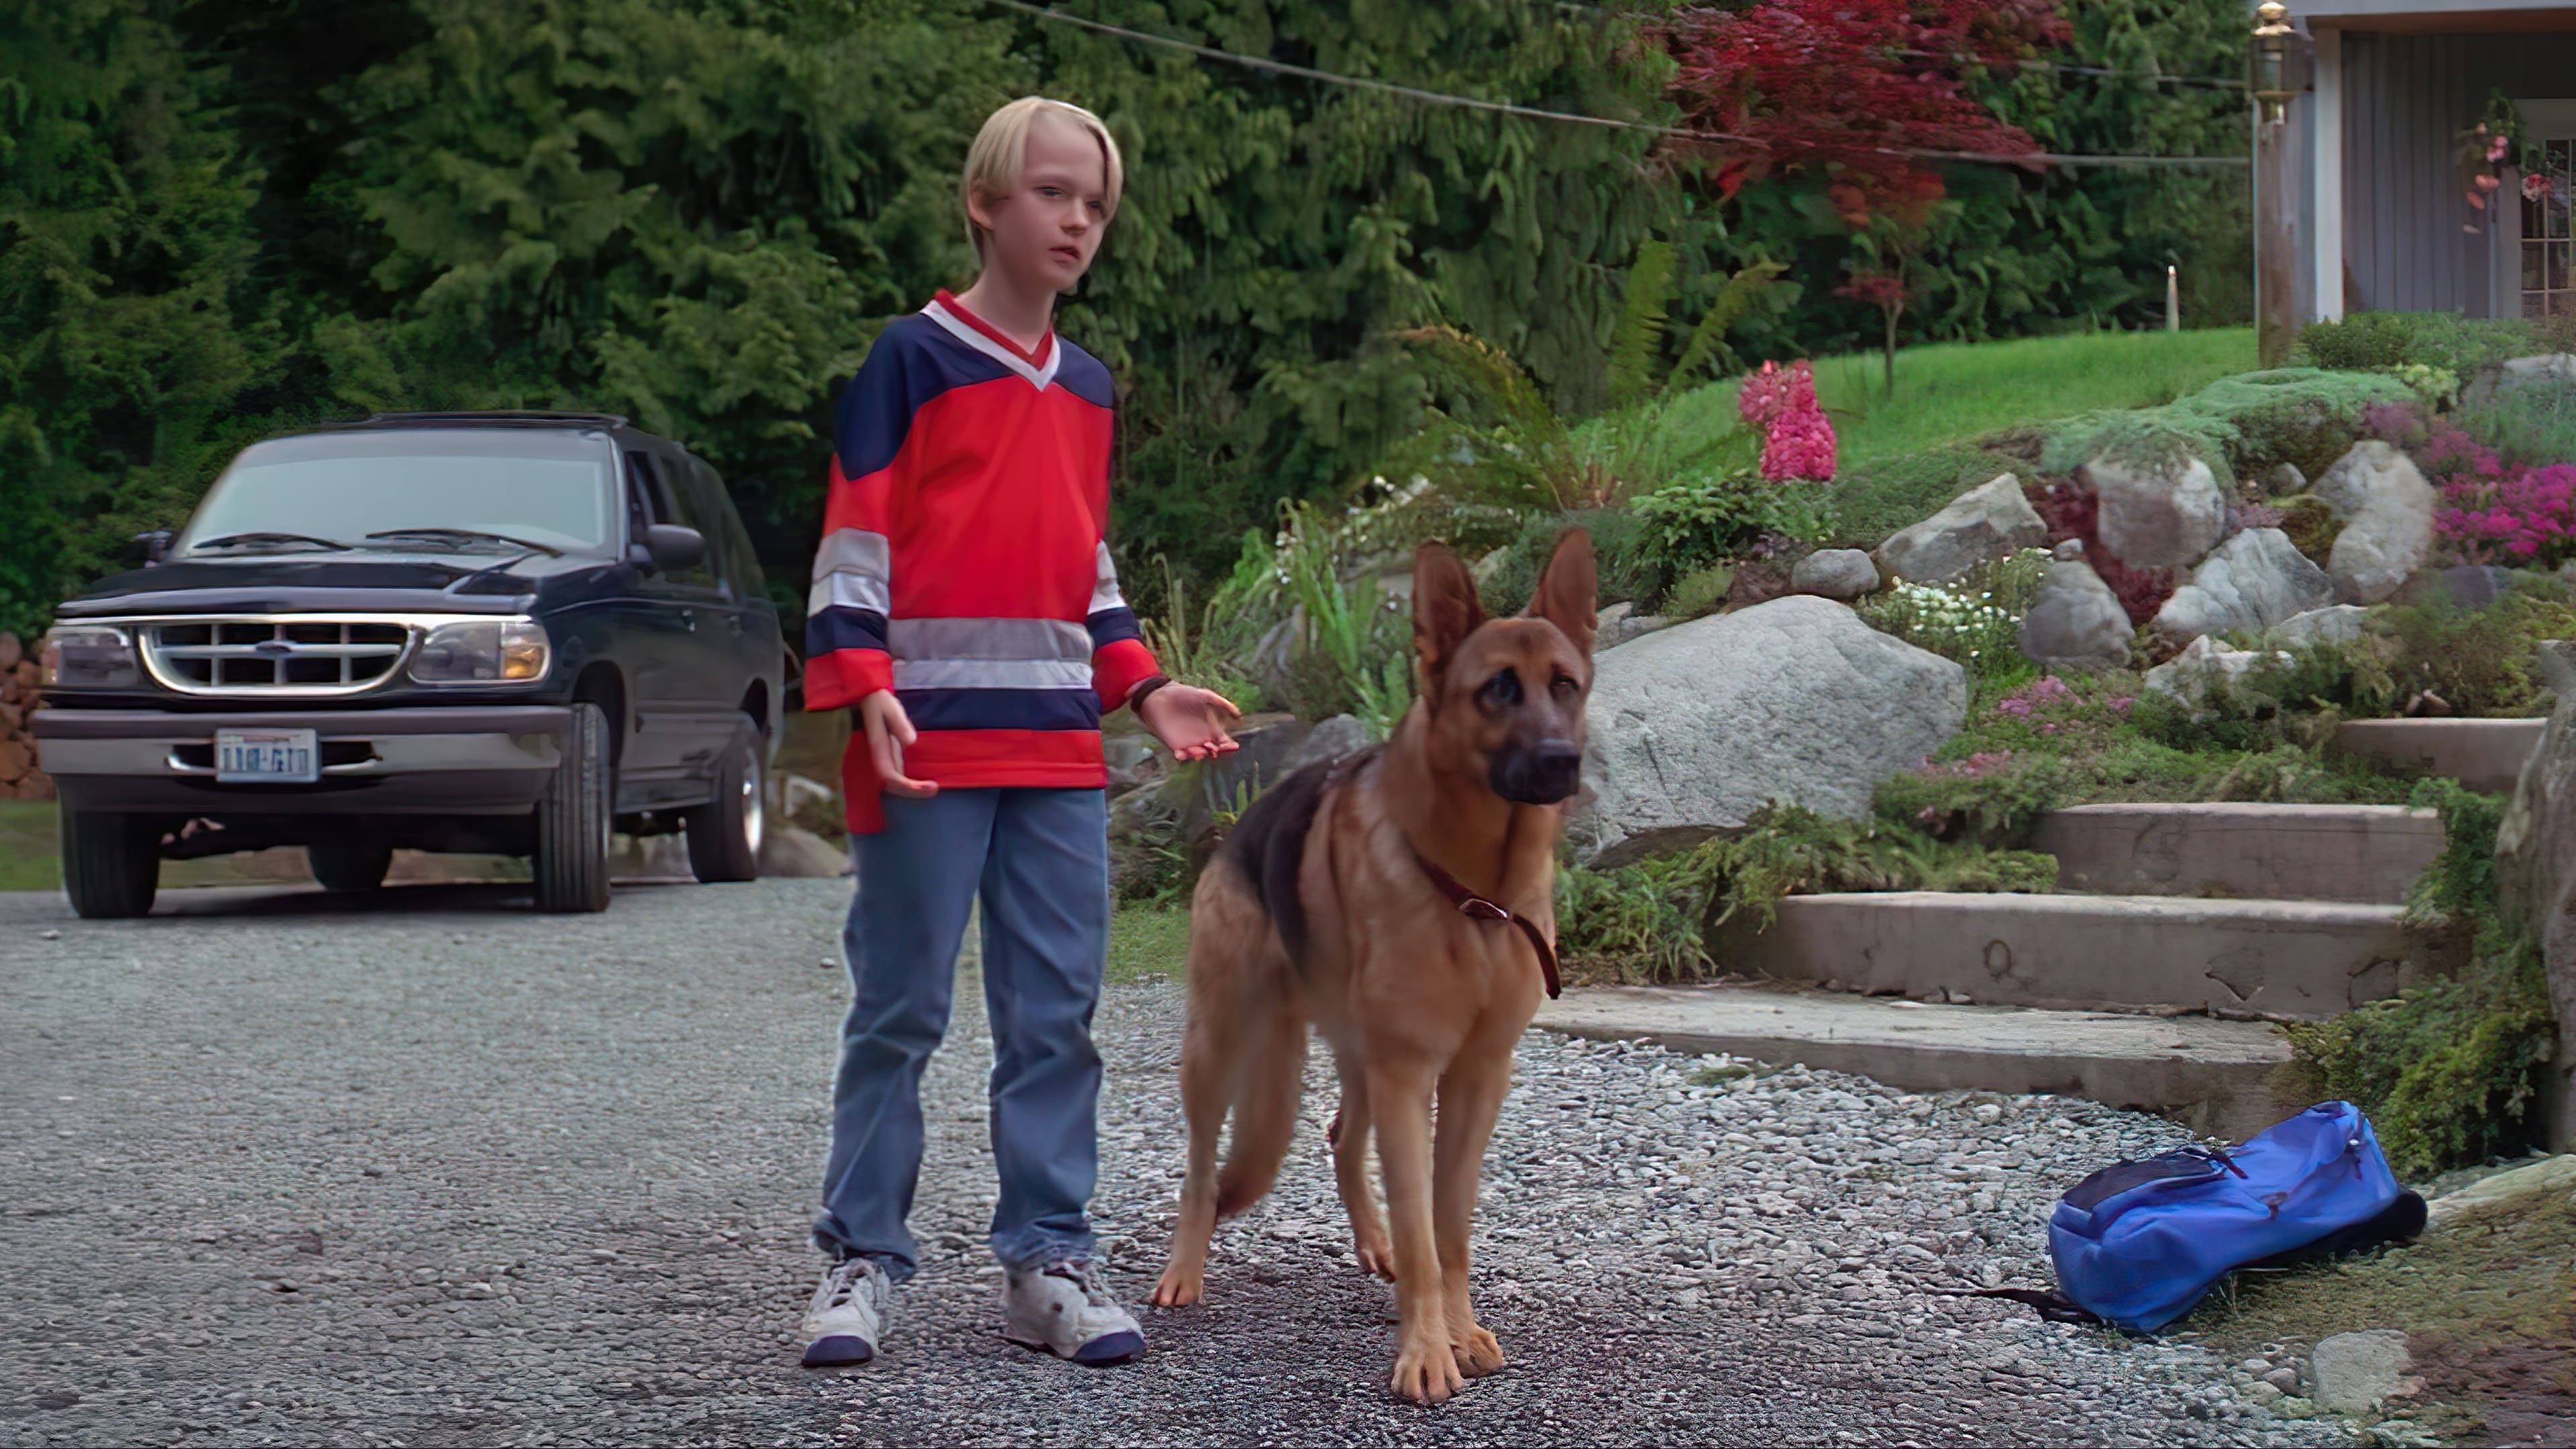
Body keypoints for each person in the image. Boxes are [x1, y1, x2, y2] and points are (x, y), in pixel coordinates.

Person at [795, 96, 1240, 1369]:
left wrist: (1143, 684)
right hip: (924, 751)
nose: (1078, 221)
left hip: (1055, 754)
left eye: (1095, 203)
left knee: (1057, 1018)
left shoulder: (1088, 387)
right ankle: (861, 1261)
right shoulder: (911, 359)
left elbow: (1082, 563)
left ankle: (1050, 1260)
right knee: (900, 1012)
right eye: (1053, 193)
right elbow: (855, 529)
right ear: (986, 204)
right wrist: (863, 680)